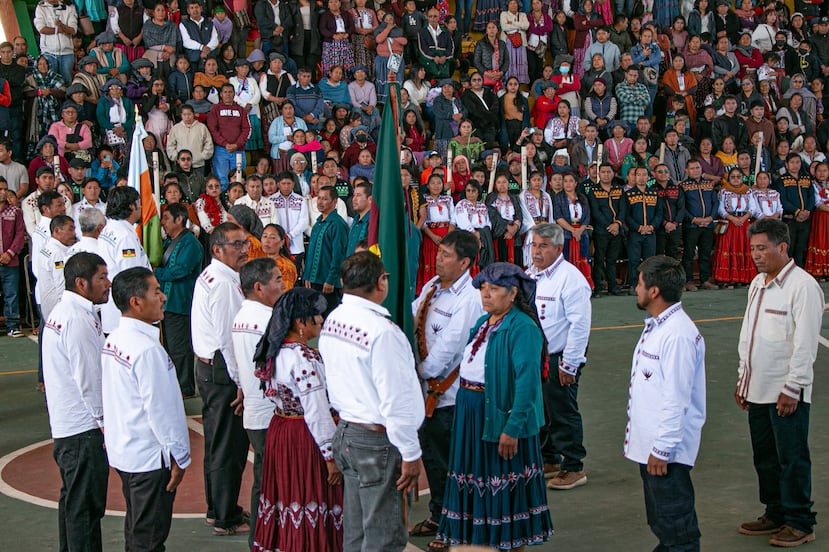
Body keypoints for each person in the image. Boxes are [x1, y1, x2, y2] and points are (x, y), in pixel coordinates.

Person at [435, 261, 554, 549]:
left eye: (495, 288)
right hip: (472, 415)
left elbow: (527, 383)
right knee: (478, 479)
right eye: (483, 288)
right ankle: (481, 541)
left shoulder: (522, 328)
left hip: (499, 417)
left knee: (505, 484)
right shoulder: (483, 322)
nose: (486, 294)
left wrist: (512, 427)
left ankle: (510, 543)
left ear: (513, 294)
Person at [319, 251, 424, 551]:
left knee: (357, 530)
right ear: (381, 282)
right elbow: (395, 399)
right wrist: (410, 452)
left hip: (349, 432)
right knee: (383, 536)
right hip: (376, 440)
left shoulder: (334, 318)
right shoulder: (382, 331)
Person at [735, 218, 824, 548]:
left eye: (762, 248)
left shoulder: (803, 287)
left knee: (792, 457)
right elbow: (749, 336)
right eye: (753, 248)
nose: (756, 255)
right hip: (756, 388)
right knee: (766, 457)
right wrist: (743, 379)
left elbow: (804, 343)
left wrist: (794, 387)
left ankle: (801, 521)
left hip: (784, 392)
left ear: (782, 247)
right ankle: (775, 512)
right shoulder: (757, 284)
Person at [102, 267, 191, 552]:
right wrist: (179, 455)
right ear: (136, 302)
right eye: (156, 291)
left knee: (137, 530)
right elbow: (162, 411)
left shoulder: (114, 340)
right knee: (148, 539)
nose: (163, 297)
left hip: (127, 452)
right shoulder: (146, 349)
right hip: (150, 458)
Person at [251, 287, 344, 551]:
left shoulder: (273, 351)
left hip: (281, 431)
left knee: (286, 496)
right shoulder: (304, 358)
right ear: (301, 322)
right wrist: (330, 457)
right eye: (317, 315)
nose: (322, 320)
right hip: (304, 438)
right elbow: (316, 411)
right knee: (309, 495)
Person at [408, 231, 484, 548]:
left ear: (465, 262)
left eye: (447, 255)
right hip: (425, 393)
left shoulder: (470, 298)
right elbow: (411, 314)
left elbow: (449, 348)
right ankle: (439, 515)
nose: (439, 258)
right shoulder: (433, 287)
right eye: (439, 252)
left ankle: (456, 526)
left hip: (447, 395)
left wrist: (417, 373)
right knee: (433, 461)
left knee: (454, 465)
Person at [627, 255, 706, 552]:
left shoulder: (677, 336)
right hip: (654, 449)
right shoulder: (661, 327)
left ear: (655, 291)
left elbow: (676, 398)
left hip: (666, 453)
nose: (636, 288)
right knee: (662, 522)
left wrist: (662, 449)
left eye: (639, 282)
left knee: (677, 525)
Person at [41, 252, 109, 551]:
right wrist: (105, 422)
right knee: (85, 509)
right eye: (102, 278)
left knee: (74, 504)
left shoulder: (66, 312)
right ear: (82, 283)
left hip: (69, 425)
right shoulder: (77, 320)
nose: (108, 284)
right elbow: (89, 378)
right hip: (82, 429)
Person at [191, 222, 250, 535]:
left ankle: (218, 508)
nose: (243, 250)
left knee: (217, 442)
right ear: (217, 249)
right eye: (236, 245)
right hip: (222, 369)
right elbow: (229, 338)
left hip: (209, 366)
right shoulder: (225, 283)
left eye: (244, 243)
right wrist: (241, 381)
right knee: (228, 445)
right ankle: (226, 516)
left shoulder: (214, 275)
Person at [526, 223, 592, 489]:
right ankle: (550, 458)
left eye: (543, 246)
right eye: (533, 245)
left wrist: (570, 364)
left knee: (563, 410)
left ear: (558, 248)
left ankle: (574, 465)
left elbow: (580, 325)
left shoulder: (570, 279)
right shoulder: (532, 275)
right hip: (538, 356)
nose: (536, 252)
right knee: (542, 409)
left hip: (559, 356)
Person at [230, 257, 284, 549]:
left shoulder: (242, 316)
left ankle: (260, 540)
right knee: (272, 484)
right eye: (276, 279)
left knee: (264, 482)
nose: (283, 283)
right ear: (259, 287)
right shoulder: (266, 320)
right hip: (269, 414)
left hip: (255, 410)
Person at [156, 203, 203, 398]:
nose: (163, 223)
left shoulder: (190, 243)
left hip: (180, 301)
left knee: (180, 347)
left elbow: (181, 269)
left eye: (166, 218)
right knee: (168, 347)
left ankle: (185, 387)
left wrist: (155, 272)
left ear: (179, 219)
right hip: (165, 304)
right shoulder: (168, 242)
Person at [98, 186, 151, 334]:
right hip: (126, 314)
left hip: (115, 310)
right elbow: (132, 278)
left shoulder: (109, 229)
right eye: (138, 203)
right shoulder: (124, 236)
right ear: (130, 206)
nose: (141, 206)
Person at [303, 186, 348, 316]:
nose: (320, 202)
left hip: (328, 283)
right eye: (319, 198)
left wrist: (331, 279)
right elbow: (311, 252)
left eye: (325, 199)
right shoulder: (318, 223)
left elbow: (338, 255)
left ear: (334, 202)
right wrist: (307, 275)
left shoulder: (338, 224)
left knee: (327, 318)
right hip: (314, 280)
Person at [587, 163, 625, 297]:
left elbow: (623, 209)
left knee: (612, 260)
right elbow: (595, 212)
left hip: (617, 231)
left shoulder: (619, 190)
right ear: (599, 174)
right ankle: (597, 288)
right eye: (603, 172)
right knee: (599, 260)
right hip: (601, 231)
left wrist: (617, 224)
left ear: (613, 173)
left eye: (608, 172)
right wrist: (610, 226)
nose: (606, 174)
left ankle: (613, 287)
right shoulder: (593, 191)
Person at [680, 160, 718, 291]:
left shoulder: (709, 185)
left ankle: (705, 280)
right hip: (691, 226)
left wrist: (711, 217)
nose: (695, 170)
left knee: (705, 253)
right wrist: (693, 219)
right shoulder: (683, 186)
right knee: (689, 253)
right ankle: (689, 281)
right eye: (692, 168)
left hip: (708, 224)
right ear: (687, 171)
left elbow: (715, 203)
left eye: (697, 167)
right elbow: (681, 207)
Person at [625, 167, 663, 292]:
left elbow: (659, 213)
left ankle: (649, 285)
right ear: (634, 177)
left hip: (651, 233)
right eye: (638, 175)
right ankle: (634, 285)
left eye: (644, 175)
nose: (641, 178)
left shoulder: (654, 193)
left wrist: (652, 227)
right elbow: (627, 215)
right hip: (635, 233)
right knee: (634, 260)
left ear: (648, 177)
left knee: (650, 261)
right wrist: (639, 227)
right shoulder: (629, 194)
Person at [208, 83, 251, 190]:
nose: (228, 94)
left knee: (238, 179)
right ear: (221, 94)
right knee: (222, 180)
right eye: (225, 92)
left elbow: (246, 128)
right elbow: (213, 129)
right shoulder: (215, 109)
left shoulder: (241, 110)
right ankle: (224, 203)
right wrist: (225, 144)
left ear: (234, 94)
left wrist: (237, 144)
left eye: (230, 92)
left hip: (238, 150)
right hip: (221, 150)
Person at [35, 215, 76, 324]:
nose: (74, 233)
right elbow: (62, 285)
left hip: (47, 304)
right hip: (58, 308)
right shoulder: (58, 253)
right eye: (70, 229)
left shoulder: (47, 248)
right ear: (57, 230)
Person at [0, 181, 25, 337]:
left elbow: (20, 235)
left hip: (10, 261)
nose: (3, 192)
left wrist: (9, 253)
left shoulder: (16, 211)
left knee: (12, 294)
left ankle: (12, 326)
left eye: (4, 188)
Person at [272, 171, 309, 270]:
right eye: (283, 184)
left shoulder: (301, 200)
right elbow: (272, 222)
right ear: (278, 184)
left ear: (293, 184)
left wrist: (289, 236)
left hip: (296, 246)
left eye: (289, 183)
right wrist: (281, 236)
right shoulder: (271, 200)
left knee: (295, 275)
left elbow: (304, 222)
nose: (286, 187)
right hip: (277, 245)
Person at [166, 105, 214, 174]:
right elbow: (170, 145)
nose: (187, 117)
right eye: (184, 114)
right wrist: (176, 157)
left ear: (193, 114)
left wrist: (203, 156)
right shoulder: (176, 128)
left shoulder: (202, 127)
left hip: (198, 164)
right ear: (181, 115)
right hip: (181, 165)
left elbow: (208, 143)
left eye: (189, 114)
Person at [347, 180, 372, 256]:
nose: (354, 199)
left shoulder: (373, 222)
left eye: (358, 195)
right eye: (354, 195)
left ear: (370, 199)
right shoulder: (355, 220)